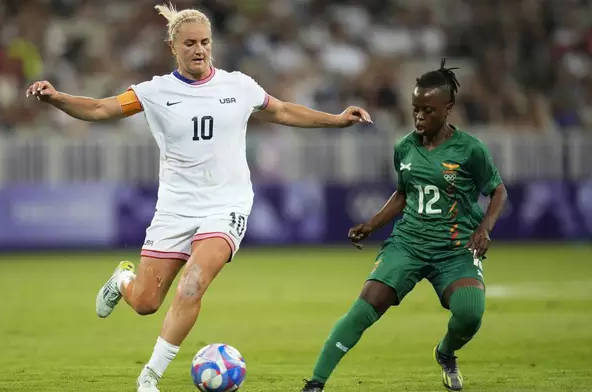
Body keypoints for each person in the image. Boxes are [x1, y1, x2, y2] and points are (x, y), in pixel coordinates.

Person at [26, 3, 371, 392]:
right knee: (145, 302)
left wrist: (336, 119)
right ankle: (123, 280)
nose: (199, 49)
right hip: (175, 208)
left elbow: (285, 111)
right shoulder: (154, 92)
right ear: (173, 46)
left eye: (205, 42)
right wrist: (56, 98)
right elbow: (101, 108)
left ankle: (149, 378)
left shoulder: (238, 86)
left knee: (192, 285)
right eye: (190, 43)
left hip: (226, 206)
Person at [300, 59, 508, 392]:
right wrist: (372, 225)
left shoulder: (471, 150)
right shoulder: (405, 147)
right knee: (364, 307)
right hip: (409, 243)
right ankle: (315, 384)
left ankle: (446, 352)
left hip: (455, 249)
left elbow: (498, 191)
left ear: (448, 108)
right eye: (415, 109)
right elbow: (403, 193)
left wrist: (484, 228)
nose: (419, 116)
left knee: (470, 313)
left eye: (428, 110)